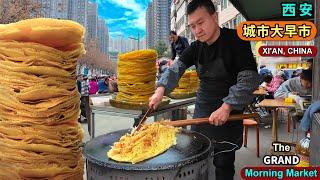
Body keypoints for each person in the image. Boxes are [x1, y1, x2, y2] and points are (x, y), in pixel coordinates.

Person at [149, 0, 259, 179]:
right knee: (198, 161)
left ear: (214, 17)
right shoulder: (196, 47)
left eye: (200, 23)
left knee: (223, 165)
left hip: (228, 114)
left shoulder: (236, 41)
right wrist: (160, 90)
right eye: (192, 26)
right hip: (203, 112)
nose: (197, 30)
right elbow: (176, 68)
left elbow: (248, 79)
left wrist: (227, 107)